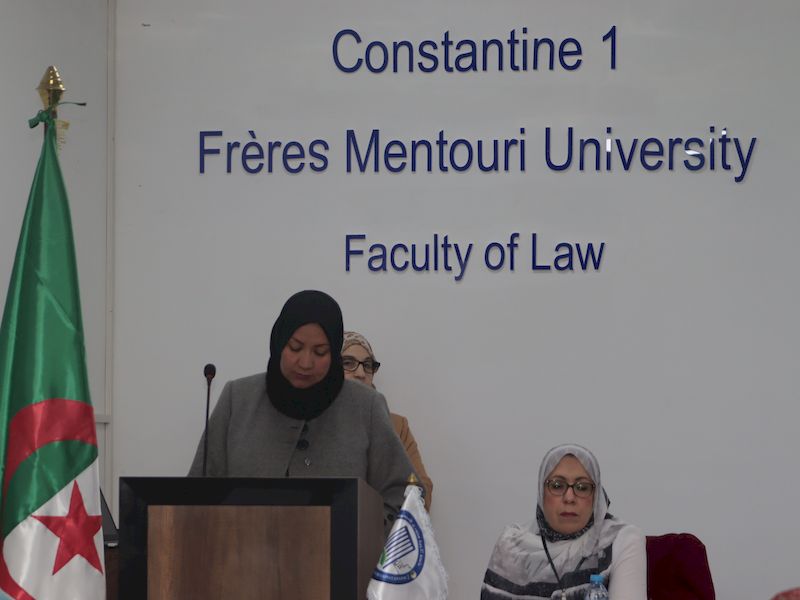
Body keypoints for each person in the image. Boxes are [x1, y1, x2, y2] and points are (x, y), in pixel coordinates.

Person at [188, 290, 416, 532]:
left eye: (320, 352)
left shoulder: (365, 406)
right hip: (241, 552)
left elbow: (406, 495)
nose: (306, 362)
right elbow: (194, 495)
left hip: (341, 555)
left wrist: (362, 537)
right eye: (295, 348)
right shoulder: (237, 399)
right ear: (279, 342)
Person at [481, 443, 647, 600]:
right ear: (541, 493)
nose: (569, 498)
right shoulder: (512, 543)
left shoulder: (619, 538)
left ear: (596, 496)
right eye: (557, 485)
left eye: (582, 487)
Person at [341, 331, 434, 510]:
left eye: (367, 365)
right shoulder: (315, 422)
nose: (361, 373)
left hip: (383, 524)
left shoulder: (397, 426)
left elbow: (422, 491)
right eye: (348, 363)